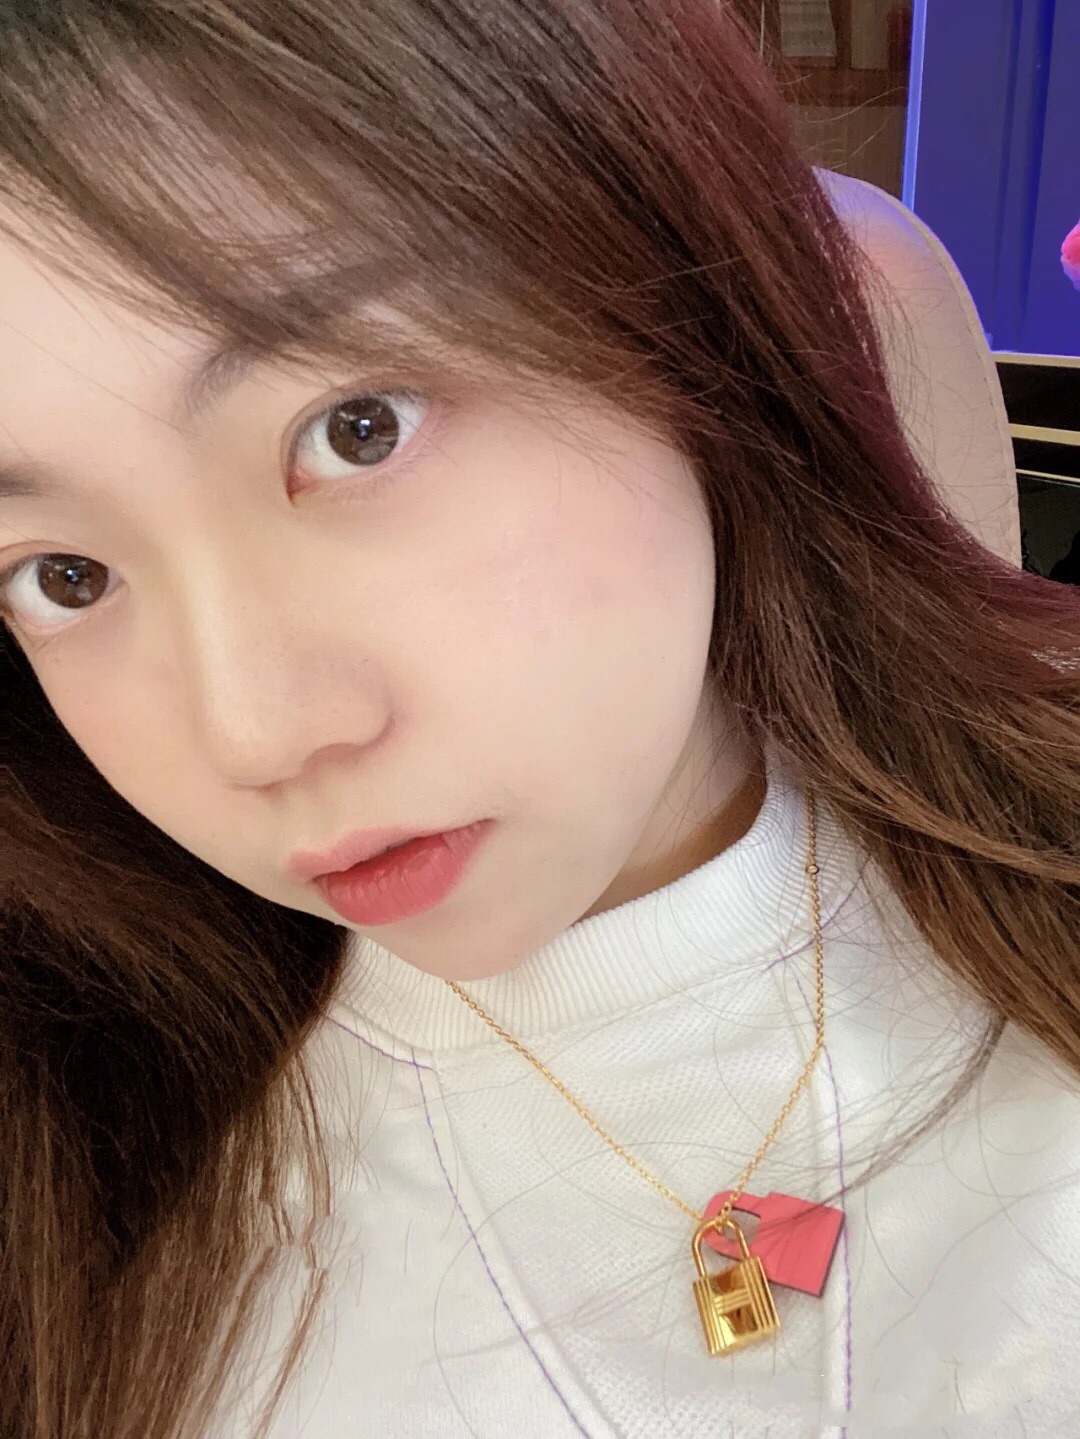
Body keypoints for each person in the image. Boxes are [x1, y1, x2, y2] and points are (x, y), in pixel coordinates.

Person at [0, 4, 1077, 1438]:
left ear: (684, 319)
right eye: (63, 577)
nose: (256, 736)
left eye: (359, 428)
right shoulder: (96, 1187)